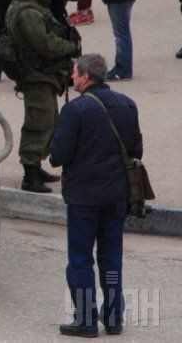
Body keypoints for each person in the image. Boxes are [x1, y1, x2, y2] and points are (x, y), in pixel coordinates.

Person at [49, 53, 143, 337]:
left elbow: (57, 156)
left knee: (80, 259)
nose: (72, 78)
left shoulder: (75, 110)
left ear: (86, 77)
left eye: (75, 73)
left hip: (83, 198)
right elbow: (136, 150)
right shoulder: (128, 104)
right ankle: (114, 316)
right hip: (116, 196)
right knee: (111, 257)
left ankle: (85, 318)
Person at [7, 0, 80, 194]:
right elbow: (45, 45)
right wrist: (69, 46)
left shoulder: (28, 7)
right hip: (36, 75)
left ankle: (35, 166)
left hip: (42, 75)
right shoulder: (28, 12)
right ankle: (29, 173)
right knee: (38, 123)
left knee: (49, 121)